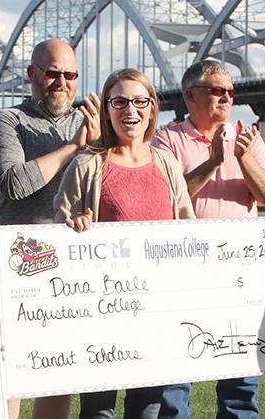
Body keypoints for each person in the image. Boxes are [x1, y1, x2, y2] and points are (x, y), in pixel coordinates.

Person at [52, 68, 194, 418]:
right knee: (98, 412)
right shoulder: (86, 166)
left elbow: (190, 234)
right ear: (108, 109)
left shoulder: (167, 163)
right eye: (119, 102)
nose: (130, 110)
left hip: (155, 317)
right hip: (100, 319)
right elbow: (57, 233)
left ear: (151, 108)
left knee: (147, 410)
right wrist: (73, 229)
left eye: (139, 101)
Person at [0, 39, 101, 419]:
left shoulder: (93, 122)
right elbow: (13, 184)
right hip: (21, 266)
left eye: (70, 75)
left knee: (57, 372)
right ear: (32, 74)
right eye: (52, 74)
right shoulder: (8, 120)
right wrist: (73, 148)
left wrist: (100, 144)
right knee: (9, 371)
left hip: (73, 269)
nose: (61, 82)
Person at [153, 59, 265, 419]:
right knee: (176, 380)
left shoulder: (247, 135)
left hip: (239, 272)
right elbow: (166, 200)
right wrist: (212, 162)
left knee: (240, 382)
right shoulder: (168, 138)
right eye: (217, 91)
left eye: (230, 92)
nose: (226, 98)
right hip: (183, 272)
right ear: (191, 95)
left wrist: (241, 157)